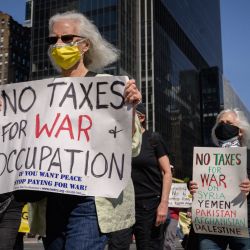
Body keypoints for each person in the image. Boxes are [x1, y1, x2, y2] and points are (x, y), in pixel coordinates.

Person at [26, 11, 142, 250]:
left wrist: (129, 108)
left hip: (90, 199)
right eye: (53, 40)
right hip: (52, 197)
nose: (58, 45)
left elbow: (131, 147)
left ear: (85, 45)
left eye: (67, 38)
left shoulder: (108, 87)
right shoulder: (40, 93)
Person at [108, 103, 172, 250]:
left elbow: (167, 172)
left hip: (149, 205)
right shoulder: (117, 139)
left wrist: (164, 204)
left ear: (141, 118)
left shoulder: (153, 139)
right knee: (116, 245)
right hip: (122, 204)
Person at [189, 108, 250, 250]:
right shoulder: (206, 156)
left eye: (228, 122)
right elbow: (196, 179)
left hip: (243, 224)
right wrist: (191, 185)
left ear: (240, 131)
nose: (223, 125)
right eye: (220, 123)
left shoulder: (248, 155)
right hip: (211, 225)